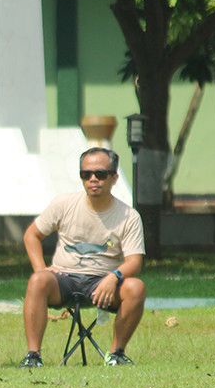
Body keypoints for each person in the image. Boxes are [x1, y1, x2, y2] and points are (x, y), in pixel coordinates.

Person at [18, 147, 147, 367]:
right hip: (64, 279)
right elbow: (32, 235)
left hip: (103, 284)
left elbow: (134, 261)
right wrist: (41, 269)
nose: (93, 179)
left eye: (101, 174)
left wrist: (114, 277)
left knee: (136, 287)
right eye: (86, 174)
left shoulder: (129, 216)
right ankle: (33, 356)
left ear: (114, 178)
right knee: (38, 280)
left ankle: (116, 354)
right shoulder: (63, 204)